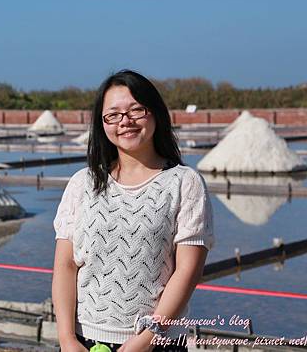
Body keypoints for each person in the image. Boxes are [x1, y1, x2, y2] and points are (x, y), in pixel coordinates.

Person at [52, 70, 215, 352]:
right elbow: (66, 266)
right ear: (101, 123)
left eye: (136, 110)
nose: (125, 122)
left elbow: (188, 270)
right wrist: (67, 339)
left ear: (155, 113)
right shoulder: (83, 183)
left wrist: (148, 338)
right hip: (84, 341)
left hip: (156, 342)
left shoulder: (183, 182)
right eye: (113, 115)